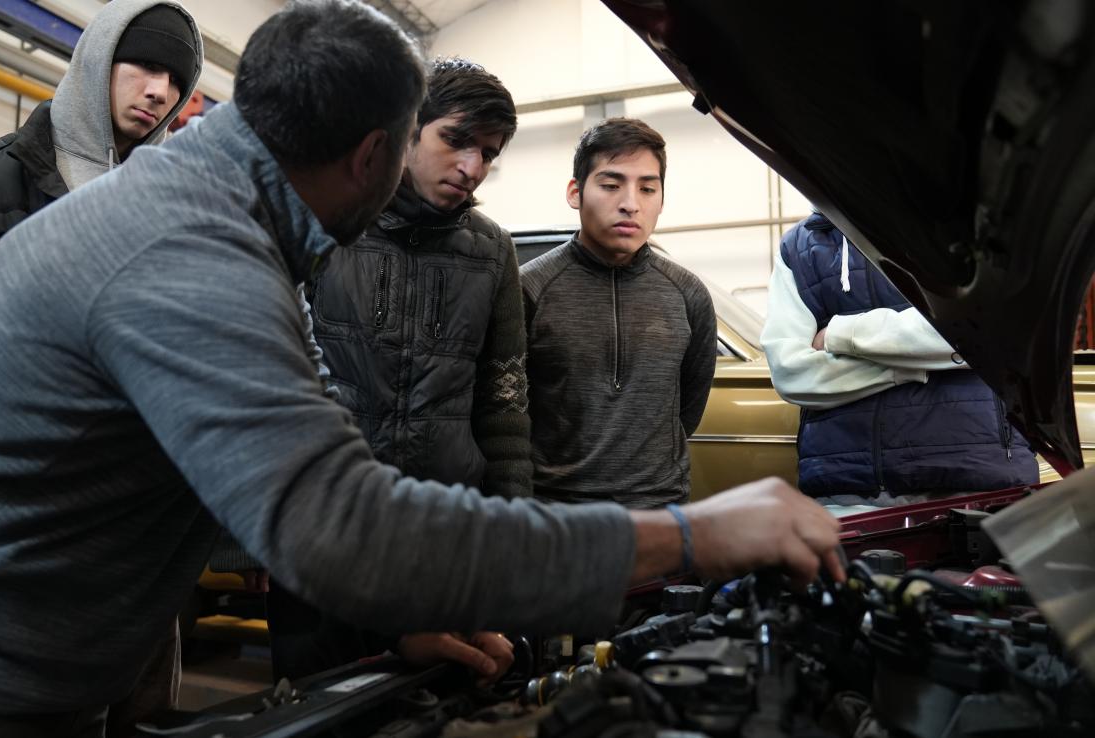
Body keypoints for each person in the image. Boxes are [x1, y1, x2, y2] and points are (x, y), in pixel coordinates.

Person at [0, 2, 842, 735]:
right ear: (376, 156)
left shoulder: (221, 213)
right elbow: (333, 521)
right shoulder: (190, 257)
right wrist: (691, 536)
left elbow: (255, 479)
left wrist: (399, 602)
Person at [272, 57, 529, 680]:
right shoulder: (322, 222)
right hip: (325, 534)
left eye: (489, 153)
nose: (472, 166)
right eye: (456, 140)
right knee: (320, 704)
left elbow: (504, 405)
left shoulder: (493, 252)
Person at [0, 0, 202, 353]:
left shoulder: (174, 206)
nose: (159, 92)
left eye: (176, 82)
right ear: (99, 59)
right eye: (147, 64)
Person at [760, 211, 1039, 504]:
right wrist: (913, 365)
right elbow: (791, 373)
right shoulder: (800, 246)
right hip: (855, 485)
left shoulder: (972, 229)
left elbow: (992, 332)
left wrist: (839, 334)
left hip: (978, 471)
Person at [521, 118, 719, 509]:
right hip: (555, 513)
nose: (631, 203)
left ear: (661, 198)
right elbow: (505, 414)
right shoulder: (527, 288)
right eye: (611, 185)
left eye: (648, 188)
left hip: (659, 509)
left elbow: (688, 409)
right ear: (576, 192)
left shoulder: (688, 293)